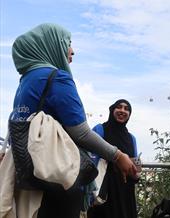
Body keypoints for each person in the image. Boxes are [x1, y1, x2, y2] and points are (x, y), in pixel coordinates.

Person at [9, 23, 137, 218]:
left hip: (27, 174)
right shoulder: (57, 78)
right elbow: (81, 133)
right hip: (57, 177)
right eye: (67, 43)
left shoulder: (26, 80)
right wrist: (118, 156)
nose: (72, 51)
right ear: (51, 44)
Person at [87, 99, 141, 218]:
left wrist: (136, 171)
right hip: (104, 189)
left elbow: (136, 167)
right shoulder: (100, 129)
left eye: (127, 109)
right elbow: (89, 158)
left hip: (125, 190)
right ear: (112, 110)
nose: (122, 110)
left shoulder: (131, 138)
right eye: (119, 107)